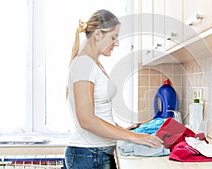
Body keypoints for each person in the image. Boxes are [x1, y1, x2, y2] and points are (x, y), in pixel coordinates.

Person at [64, 9, 164, 169]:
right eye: (114, 37)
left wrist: (121, 130)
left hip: (97, 153)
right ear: (97, 35)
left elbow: (99, 114)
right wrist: (134, 137)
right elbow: (86, 120)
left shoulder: (95, 65)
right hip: (89, 155)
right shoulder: (83, 65)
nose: (117, 43)